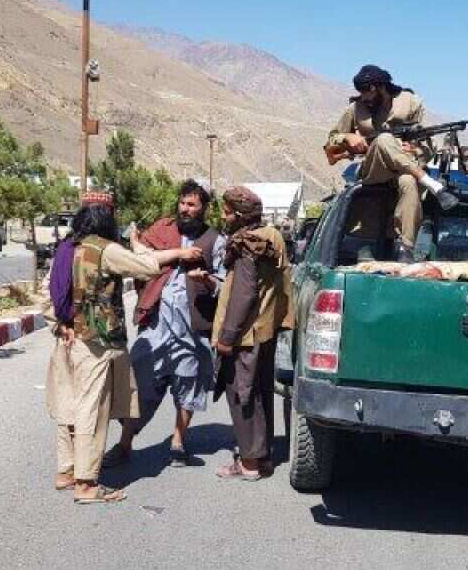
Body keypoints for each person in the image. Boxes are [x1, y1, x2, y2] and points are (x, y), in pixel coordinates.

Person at [44, 201, 202, 504]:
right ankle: (87, 483)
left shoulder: (67, 248)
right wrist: (136, 243)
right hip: (96, 343)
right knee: (92, 408)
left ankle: (66, 471)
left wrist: (59, 325)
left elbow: (48, 292)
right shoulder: (106, 250)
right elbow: (147, 267)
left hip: (67, 339)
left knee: (69, 406)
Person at [104, 180, 225, 469]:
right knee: (140, 384)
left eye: (192, 204)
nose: (185, 208)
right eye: (183, 202)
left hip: (191, 327)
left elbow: (224, 284)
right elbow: (138, 258)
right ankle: (124, 444)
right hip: (156, 324)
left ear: (204, 208)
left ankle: (178, 441)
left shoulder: (215, 241)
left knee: (189, 383)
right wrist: (179, 255)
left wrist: (207, 280)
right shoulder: (161, 230)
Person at [324, 64, 456, 261]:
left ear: (380, 87)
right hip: (374, 168)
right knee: (385, 139)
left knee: (409, 183)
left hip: (406, 167)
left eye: (366, 92)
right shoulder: (355, 108)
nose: (364, 97)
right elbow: (330, 144)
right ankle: (432, 184)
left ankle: (405, 249)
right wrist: (347, 137)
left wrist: (416, 151)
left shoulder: (411, 103)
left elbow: (428, 146)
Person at [213, 186, 293, 481]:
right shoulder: (271, 236)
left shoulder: (248, 244)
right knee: (259, 392)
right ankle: (263, 458)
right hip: (265, 329)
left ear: (239, 215)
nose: (223, 216)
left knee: (242, 394)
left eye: (226, 211)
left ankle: (248, 463)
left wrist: (226, 337)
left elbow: (244, 295)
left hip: (246, 334)